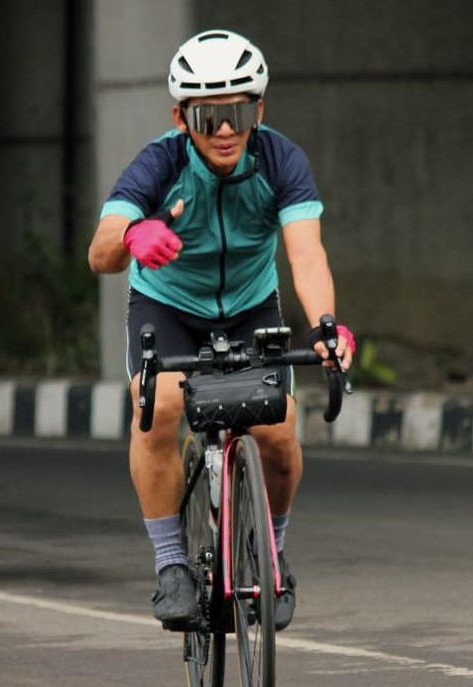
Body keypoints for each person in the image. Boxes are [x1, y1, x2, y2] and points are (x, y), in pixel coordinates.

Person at [88, 30, 355, 631]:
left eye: (237, 112)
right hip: (170, 308)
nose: (225, 130)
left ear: (258, 110)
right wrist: (133, 236)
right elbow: (99, 252)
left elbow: (306, 255)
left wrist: (326, 328)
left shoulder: (282, 160)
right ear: (182, 117)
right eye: (208, 116)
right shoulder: (159, 163)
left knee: (281, 432)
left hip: (250, 306)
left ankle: (273, 552)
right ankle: (171, 567)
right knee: (156, 408)